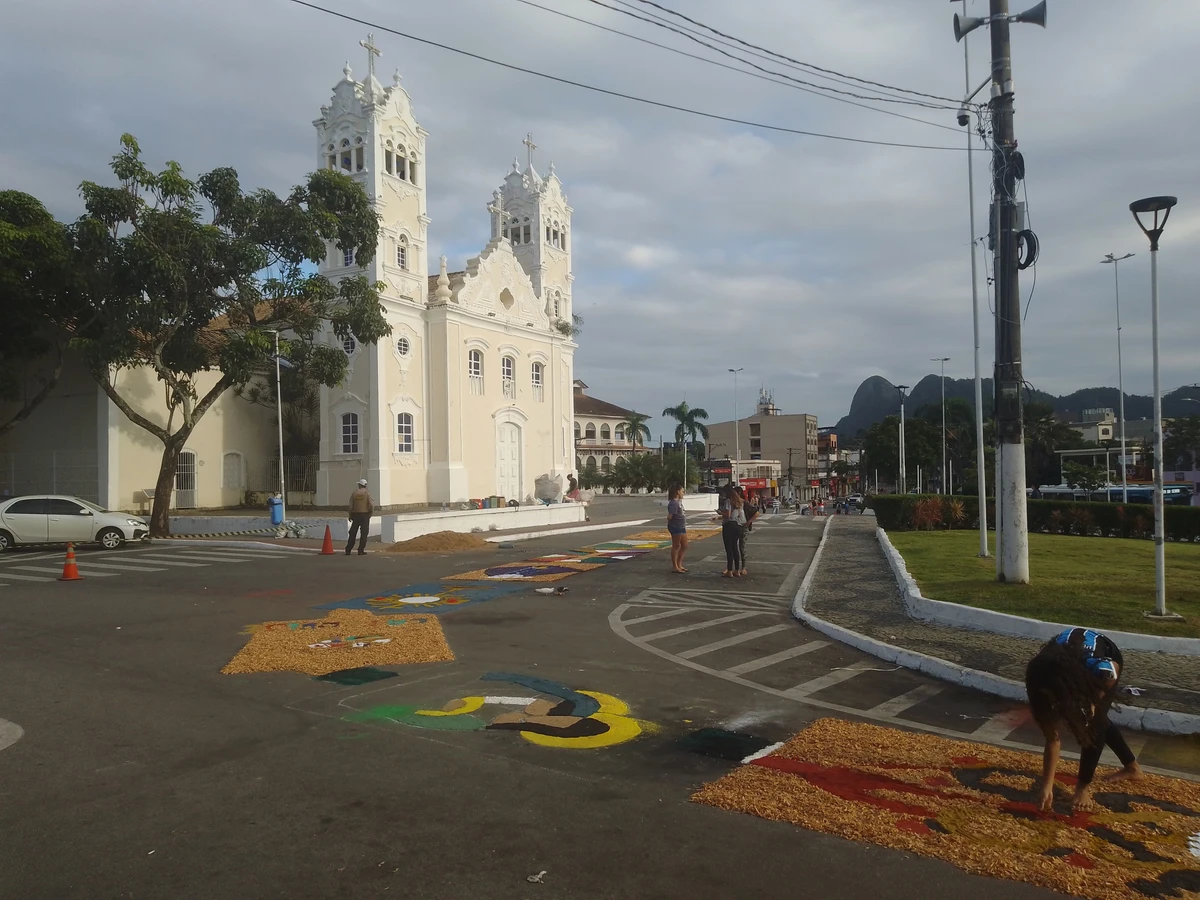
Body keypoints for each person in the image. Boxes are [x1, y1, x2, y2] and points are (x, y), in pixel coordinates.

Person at [1025, 627, 1142, 812]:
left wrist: (1095, 700)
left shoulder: (1096, 668)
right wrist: (1047, 786)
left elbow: (1112, 672)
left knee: (1094, 724)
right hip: (1068, 666)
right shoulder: (1039, 674)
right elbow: (1052, 738)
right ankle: (1132, 767)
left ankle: (1083, 787)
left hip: (1108, 658)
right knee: (1093, 719)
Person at [719, 486, 746, 577]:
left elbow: (728, 514)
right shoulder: (739, 501)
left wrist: (720, 512)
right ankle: (737, 570)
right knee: (735, 548)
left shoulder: (728, 501)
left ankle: (730, 571)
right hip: (737, 525)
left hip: (729, 525)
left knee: (729, 549)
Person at [734, 485, 759, 577]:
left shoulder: (745, 503)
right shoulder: (733, 503)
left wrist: (749, 522)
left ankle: (743, 567)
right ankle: (733, 567)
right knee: (733, 547)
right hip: (735, 526)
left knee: (742, 547)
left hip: (743, 527)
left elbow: (756, 512)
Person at [346, 478, 375, 555]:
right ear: (365, 485)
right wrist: (370, 513)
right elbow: (371, 505)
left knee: (353, 533)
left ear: (359, 485)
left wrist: (350, 515)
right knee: (364, 533)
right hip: (365, 515)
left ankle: (348, 549)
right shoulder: (367, 493)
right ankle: (360, 550)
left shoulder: (354, 493)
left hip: (355, 515)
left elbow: (350, 506)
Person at [666, 485, 688, 573]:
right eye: (682, 491)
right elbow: (670, 516)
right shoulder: (674, 503)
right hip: (676, 526)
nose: (683, 493)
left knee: (684, 545)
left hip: (681, 526)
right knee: (676, 546)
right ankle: (675, 566)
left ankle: (679, 564)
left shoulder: (678, 502)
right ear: (678, 492)